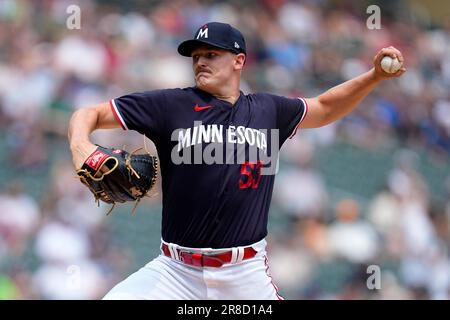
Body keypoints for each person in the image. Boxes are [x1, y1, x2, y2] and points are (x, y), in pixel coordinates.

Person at [68, 22, 405, 299]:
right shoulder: (170, 106)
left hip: (244, 277)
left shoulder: (269, 110)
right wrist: (81, 147)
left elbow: (326, 107)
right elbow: (89, 113)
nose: (200, 61)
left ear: (238, 60)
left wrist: (373, 77)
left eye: (211, 54)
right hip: (175, 273)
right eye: (196, 56)